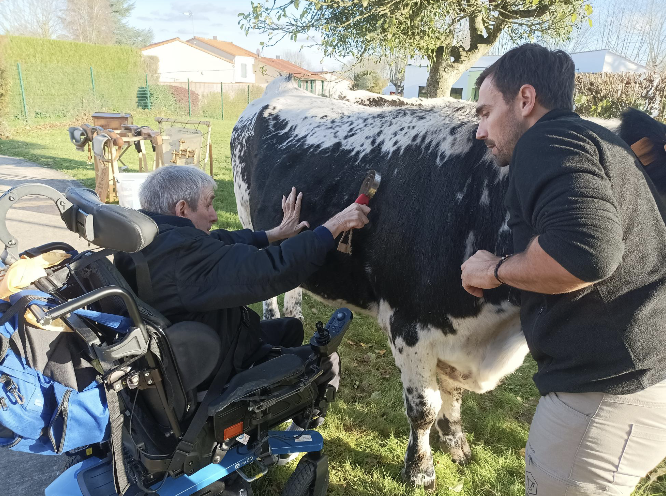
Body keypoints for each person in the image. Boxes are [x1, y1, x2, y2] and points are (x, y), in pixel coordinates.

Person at [461, 44, 666, 495]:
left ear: (526, 100)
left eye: (486, 111)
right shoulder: (598, 140)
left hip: (604, 395)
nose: (479, 130)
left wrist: (495, 269)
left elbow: (585, 254)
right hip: (640, 379)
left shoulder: (545, 141)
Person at [115, 165, 370, 424]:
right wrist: (334, 226)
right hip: (215, 367)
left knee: (290, 328)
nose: (214, 216)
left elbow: (217, 241)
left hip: (191, 348)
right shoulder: (185, 260)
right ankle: (300, 428)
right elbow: (273, 270)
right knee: (326, 362)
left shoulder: (146, 238)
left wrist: (273, 234)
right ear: (182, 209)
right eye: (209, 205)